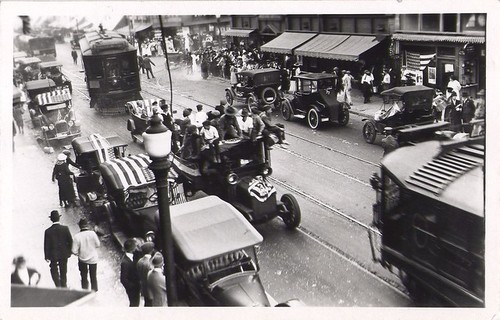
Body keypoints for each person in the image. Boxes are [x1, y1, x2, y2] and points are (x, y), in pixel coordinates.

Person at [44, 210, 73, 288]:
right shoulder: (65, 228)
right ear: (59, 218)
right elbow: (70, 241)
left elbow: (46, 245)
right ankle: (64, 285)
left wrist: (46, 256)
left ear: (51, 219)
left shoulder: (47, 231)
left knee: (54, 270)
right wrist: (70, 252)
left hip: (53, 255)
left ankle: (57, 285)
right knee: (63, 270)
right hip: (64, 254)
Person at [72, 218, 100, 291]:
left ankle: (85, 291)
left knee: (83, 276)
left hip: (82, 259)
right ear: (87, 225)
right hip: (93, 259)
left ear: (79, 226)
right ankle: (94, 291)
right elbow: (98, 245)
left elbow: (74, 251)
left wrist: (79, 253)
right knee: (93, 276)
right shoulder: (93, 233)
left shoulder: (77, 236)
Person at [120, 238, 141, 307]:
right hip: (132, 289)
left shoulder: (134, 255)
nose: (136, 248)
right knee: (134, 304)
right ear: (132, 249)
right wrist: (132, 287)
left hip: (136, 285)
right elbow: (123, 279)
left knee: (136, 302)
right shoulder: (125, 263)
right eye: (135, 246)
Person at [137, 242, 155, 306]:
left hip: (143, 288)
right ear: (151, 251)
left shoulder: (140, 261)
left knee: (147, 303)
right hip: (151, 290)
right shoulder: (150, 264)